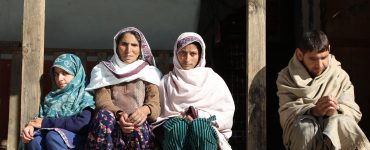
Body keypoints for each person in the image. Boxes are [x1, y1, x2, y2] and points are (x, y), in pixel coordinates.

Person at [276, 30, 370, 149]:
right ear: (300, 54)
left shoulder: (339, 75)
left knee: (343, 123)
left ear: (329, 49)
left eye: (324, 58)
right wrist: (313, 110)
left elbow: (353, 109)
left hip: (334, 124)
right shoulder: (286, 77)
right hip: (303, 130)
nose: (319, 65)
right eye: (313, 59)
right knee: (306, 129)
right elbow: (287, 113)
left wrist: (335, 110)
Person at [153, 32, 235, 150]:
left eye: (193, 54)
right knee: (178, 127)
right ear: (176, 54)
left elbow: (225, 115)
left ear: (200, 55)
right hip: (174, 133)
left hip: (205, 130)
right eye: (182, 53)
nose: (187, 59)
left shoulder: (213, 79)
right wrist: (181, 119)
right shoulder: (167, 81)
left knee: (200, 126)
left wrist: (197, 115)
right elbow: (158, 116)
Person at [85, 27, 162, 149]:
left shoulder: (149, 72)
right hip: (111, 125)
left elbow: (155, 104)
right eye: (124, 44)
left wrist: (144, 111)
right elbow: (102, 102)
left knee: (138, 126)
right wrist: (120, 115)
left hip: (136, 125)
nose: (128, 50)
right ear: (116, 46)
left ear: (140, 48)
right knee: (104, 116)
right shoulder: (103, 71)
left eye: (134, 45)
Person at [21, 53, 95, 149]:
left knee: (53, 136)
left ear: (76, 74)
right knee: (34, 139)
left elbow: (82, 123)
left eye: (65, 73)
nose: (59, 78)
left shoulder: (85, 96)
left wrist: (45, 123)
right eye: (56, 74)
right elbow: (39, 119)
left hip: (78, 140)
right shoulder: (51, 97)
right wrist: (31, 127)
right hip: (52, 136)